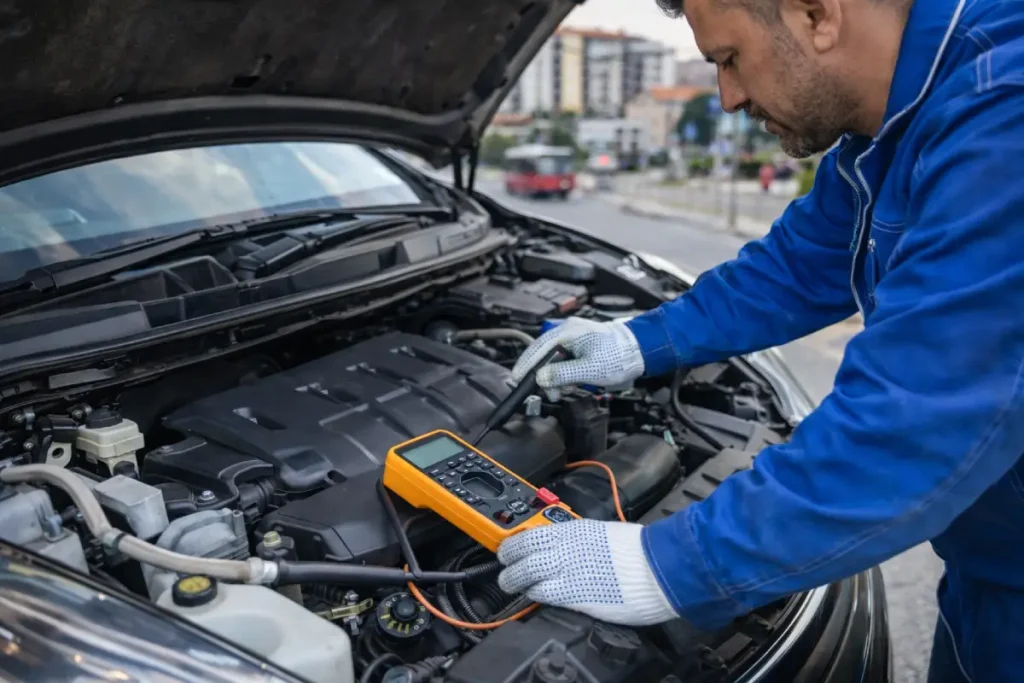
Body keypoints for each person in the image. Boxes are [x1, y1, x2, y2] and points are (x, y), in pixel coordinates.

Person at [494, 1, 1024, 681]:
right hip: (990, 571)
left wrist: (676, 563)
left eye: (729, 59)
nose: (728, 96)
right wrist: (638, 340)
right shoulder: (896, 122)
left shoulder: (1003, 112)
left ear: (816, 13)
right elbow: (800, 264)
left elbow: (924, 414)